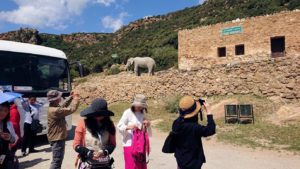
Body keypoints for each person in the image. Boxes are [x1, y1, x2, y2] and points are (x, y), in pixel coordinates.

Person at [173, 96, 216, 169]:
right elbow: (211, 129)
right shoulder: (195, 128)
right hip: (193, 163)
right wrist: (209, 112)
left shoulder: (176, 124)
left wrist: (198, 102)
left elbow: (184, 115)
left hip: (181, 161)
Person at [73, 98, 116, 169]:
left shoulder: (110, 124)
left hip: (104, 163)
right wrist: (88, 153)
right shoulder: (82, 123)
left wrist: (104, 152)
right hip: (87, 161)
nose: (98, 117)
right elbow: (75, 145)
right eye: (96, 114)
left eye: (100, 114)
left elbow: (112, 144)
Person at [47, 90, 80, 169]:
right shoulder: (55, 111)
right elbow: (71, 109)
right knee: (57, 161)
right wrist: (76, 99)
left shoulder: (53, 107)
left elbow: (62, 105)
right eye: (59, 97)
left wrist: (70, 97)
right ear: (56, 99)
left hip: (55, 137)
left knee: (57, 160)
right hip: (57, 139)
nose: (60, 99)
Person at [117, 94, 151, 169]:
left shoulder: (143, 113)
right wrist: (128, 127)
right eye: (138, 106)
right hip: (129, 144)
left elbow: (147, 130)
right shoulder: (127, 112)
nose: (139, 107)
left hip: (141, 144)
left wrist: (147, 124)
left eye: (141, 106)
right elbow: (119, 125)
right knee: (131, 165)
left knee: (140, 166)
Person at [0, 102, 18, 169]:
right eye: (1, 110)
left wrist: (9, 137)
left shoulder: (8, 123)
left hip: (5, 156)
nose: (3, 113)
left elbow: (14, 139)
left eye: (6, 111)